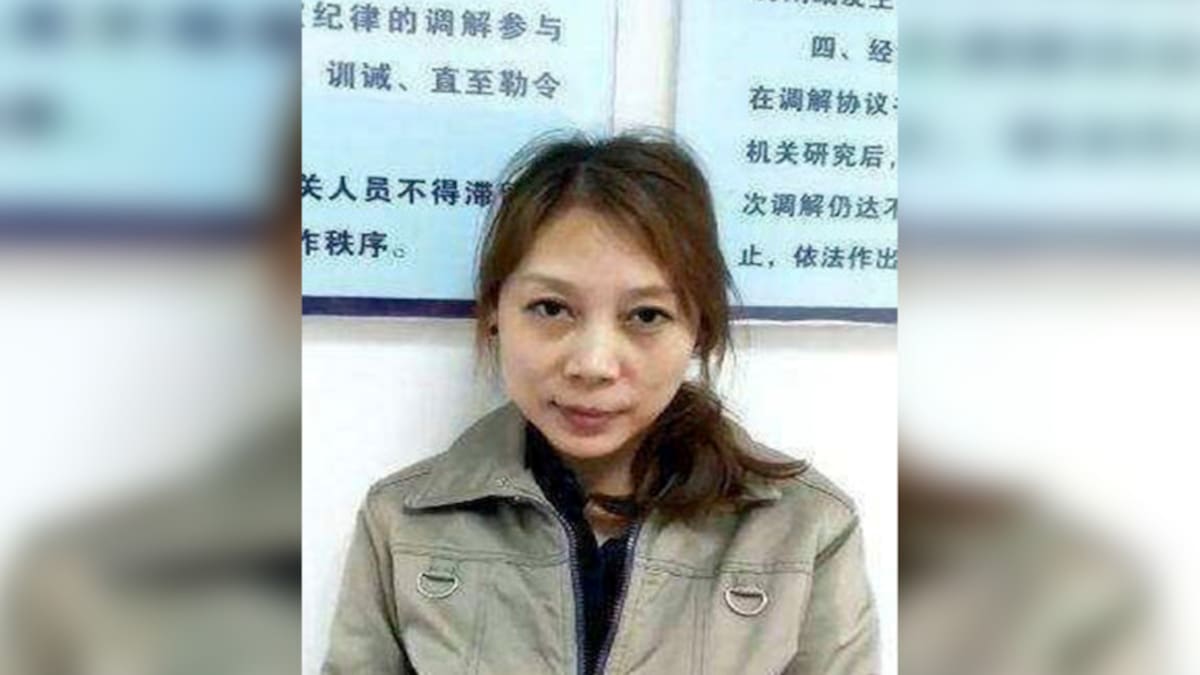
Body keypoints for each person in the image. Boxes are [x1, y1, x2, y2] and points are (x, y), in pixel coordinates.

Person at [322, 131, 878, 675]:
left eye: (646, 316)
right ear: (494, 312)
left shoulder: (807, 529)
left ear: (700, 329)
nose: (592, 364)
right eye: (550, 308)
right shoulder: (402, 523)